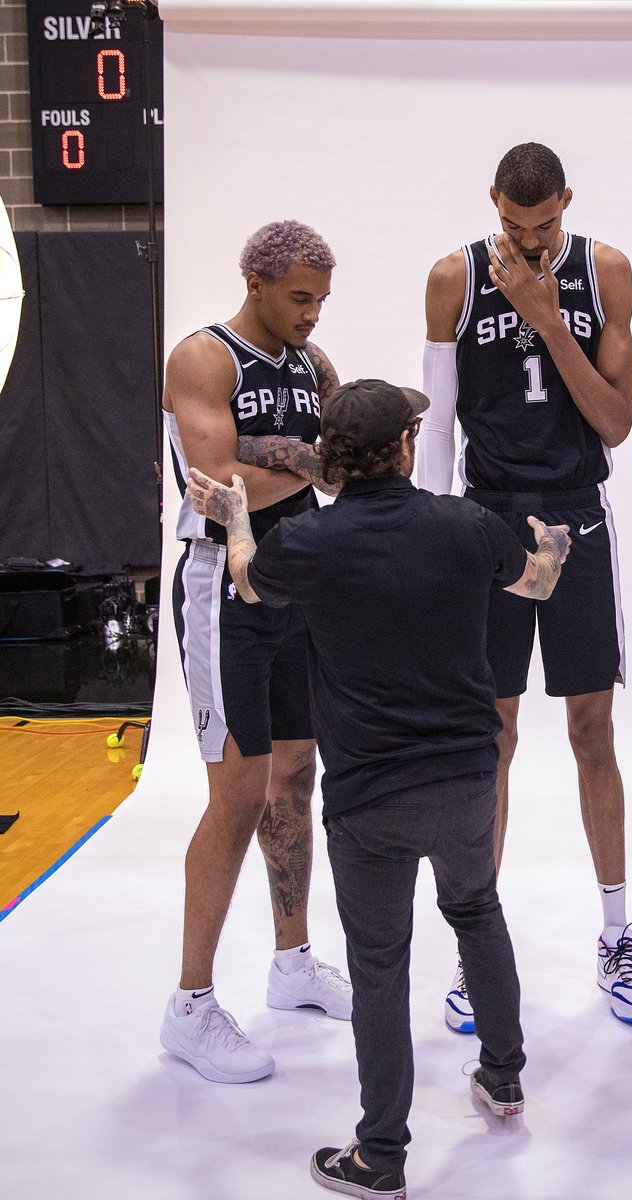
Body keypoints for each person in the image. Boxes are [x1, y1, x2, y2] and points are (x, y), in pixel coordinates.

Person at [187, 379, 566, 1198]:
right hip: (468, 777)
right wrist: (554, 550)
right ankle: (503, 1080)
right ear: (401, 450)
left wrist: (238, 517)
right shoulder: (465, 524)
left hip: (369, 800)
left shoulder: (313, 544)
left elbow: (248, 581)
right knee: (477, 912)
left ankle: (381, 1158)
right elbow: (533, 584)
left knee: (380, 966)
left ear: (335, 457)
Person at [421, 142, 632, 1026]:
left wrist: (550, 319)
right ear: (494, 205)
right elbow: (439, 420)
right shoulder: (454, 276)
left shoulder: (605, 271)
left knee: (591, 726)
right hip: (486, 516)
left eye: (545, 225)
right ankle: (474, 944)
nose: (529, 244)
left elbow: (615, 421)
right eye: (516, 229)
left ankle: (615, 934)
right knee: (492, 731)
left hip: (574, 512)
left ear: (568, 201)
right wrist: (432, 530)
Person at [159, 220, 352, 1085]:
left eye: (321, 298)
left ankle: (292, 961)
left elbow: (350, 468)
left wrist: (288, 461)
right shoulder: (204, 358)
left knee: (296, 776)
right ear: (257, 282)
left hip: (296, 587)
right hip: (220, 590)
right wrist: (307, 463)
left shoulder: (313, 369)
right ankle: (190, 1007)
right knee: (235, 794)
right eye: (300, 297)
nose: (313, 314)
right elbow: (216, 486)